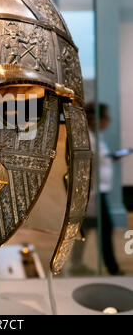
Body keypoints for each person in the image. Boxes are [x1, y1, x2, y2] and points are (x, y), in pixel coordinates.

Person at [71, 103, 122, 276]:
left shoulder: (92, 137)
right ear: (99, 119)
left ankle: (77, 265)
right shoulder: (89, 138)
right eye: (107, 117)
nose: (109, 121)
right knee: (103, 230)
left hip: (95, 192)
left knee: (89, 230)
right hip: (93, 194)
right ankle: (112, 269)